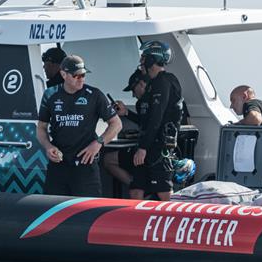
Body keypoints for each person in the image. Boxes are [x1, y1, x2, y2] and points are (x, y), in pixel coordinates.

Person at [37, 55, 121, 197]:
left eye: (83, 74)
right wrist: (48, 146)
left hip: (85, 164)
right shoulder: (50, 94)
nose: (81, 78)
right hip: (59, 164)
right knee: (54, 212)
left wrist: (98, 143)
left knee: (89, 212)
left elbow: (116, 124)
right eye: (76, 75)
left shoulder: (94, 95)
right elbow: (41, 128)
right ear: (63, 74)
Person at [129, 41, 183, 202]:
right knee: (136, 189)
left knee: (163, 191)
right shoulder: (152, 84)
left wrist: (143, 148)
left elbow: (156, 117)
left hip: (158, 147)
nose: (141, 62)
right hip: (147, 144)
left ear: (152, 59)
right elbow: (147, 116)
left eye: (144, 58)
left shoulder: (164, 81)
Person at [104, 69, 150, 188]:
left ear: (141, 84)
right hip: (151, 149)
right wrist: (126, 113)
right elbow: (144, 121)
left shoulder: (144, 102)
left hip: (147, 151)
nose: (133, 95)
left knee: (108, 160)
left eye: (133, 90)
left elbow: (149, 124)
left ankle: (137, 186)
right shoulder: (156, 98)